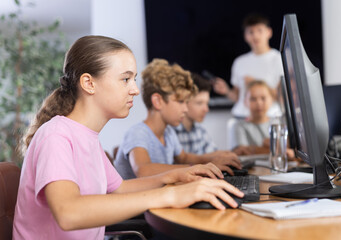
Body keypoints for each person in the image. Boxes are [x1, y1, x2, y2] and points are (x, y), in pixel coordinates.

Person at [12, 36, 244, 240]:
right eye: (126, 79)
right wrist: (170, 194)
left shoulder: (87, 137)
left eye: (134, 79)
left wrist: (177, 174)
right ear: (89, 83)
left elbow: (119, 189)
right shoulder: (56, 136)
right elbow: (68, 212)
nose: (134, 89)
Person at [114, 59, 242, 180]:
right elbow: (143, 170)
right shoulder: (138, 133)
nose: (185, 109)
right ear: (158, 101)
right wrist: (197, 168)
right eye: (181, 101)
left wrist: (216, 158)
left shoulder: (168, 133)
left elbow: (184, 158)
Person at [213, 13, 283, 119]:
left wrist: (255, 85)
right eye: (251, 32)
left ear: (269, 32)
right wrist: (226, 91)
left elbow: (284, 99)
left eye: (260, 30)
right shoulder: (239, 62)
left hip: (269, 118)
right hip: (241, 117)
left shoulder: (279, 59)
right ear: (245, 36)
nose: (255, 36)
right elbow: (238, 97)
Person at [173, 72, 218, 154]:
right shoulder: (171, 133)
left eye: (207, 103)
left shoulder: (200, 130)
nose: (206, 109)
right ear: (184, 101)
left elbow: (214, 155)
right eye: (199, 103)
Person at [232, 80, 273, 155]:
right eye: (253, 99)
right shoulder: (240, 126)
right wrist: (274, 148)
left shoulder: (279, 123)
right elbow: (244, 151)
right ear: (245, 102)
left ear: (271, 100)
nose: (259, 103)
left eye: (263, 98)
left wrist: (254, 149)